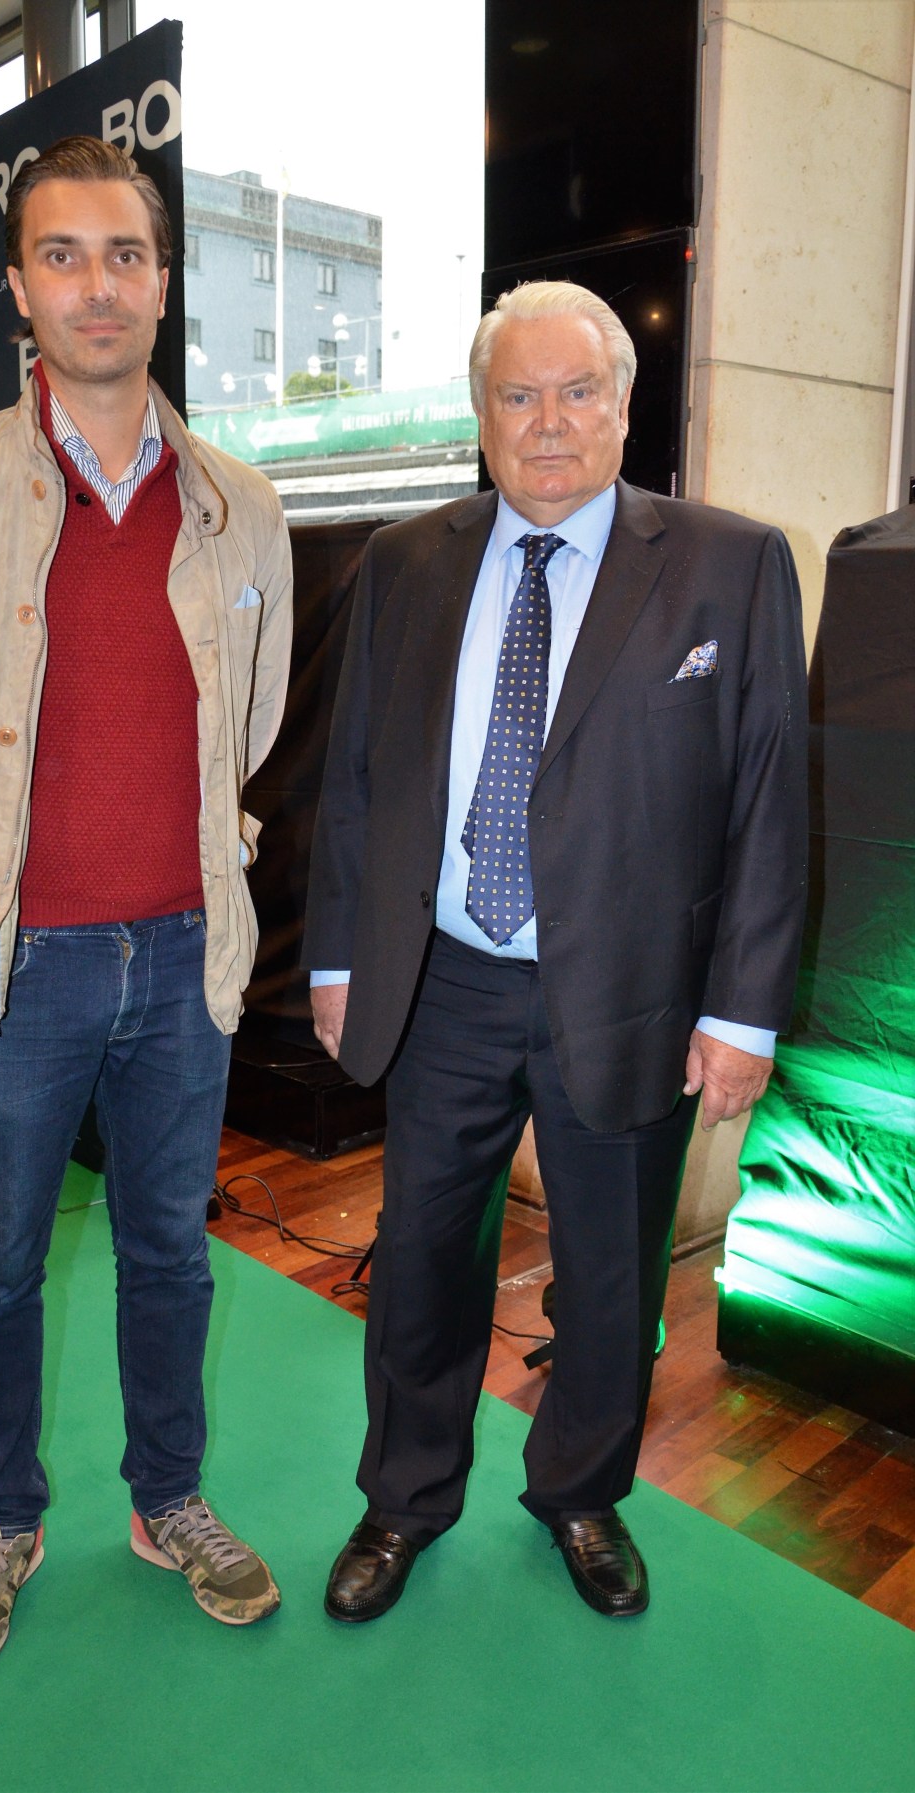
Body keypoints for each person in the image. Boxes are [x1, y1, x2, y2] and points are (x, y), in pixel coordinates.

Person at [0, 136, 293, 1670]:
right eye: (63, 254)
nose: (98, 285)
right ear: (20, 286)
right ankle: (1, 1514)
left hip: (186, 957)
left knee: (171, 1252)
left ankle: (169, 1498)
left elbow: (252, 719)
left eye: (126, 254)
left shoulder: (242, 505)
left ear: (164, 281)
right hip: (15, 963)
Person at [303, 281, 807, 1623]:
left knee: (610, 1271)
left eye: (578, 391)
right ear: (480, 414)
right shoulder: (404, 561)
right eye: (517, 395)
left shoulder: (730, 562)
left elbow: (769, 798)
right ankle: (405, 1497)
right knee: (421, 1258)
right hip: (444, 981)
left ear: (624, 404)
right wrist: (339, 957)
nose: (548, 423)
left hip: (636, 992)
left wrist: (742, 1014)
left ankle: (582, 1492)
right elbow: (355, 779)